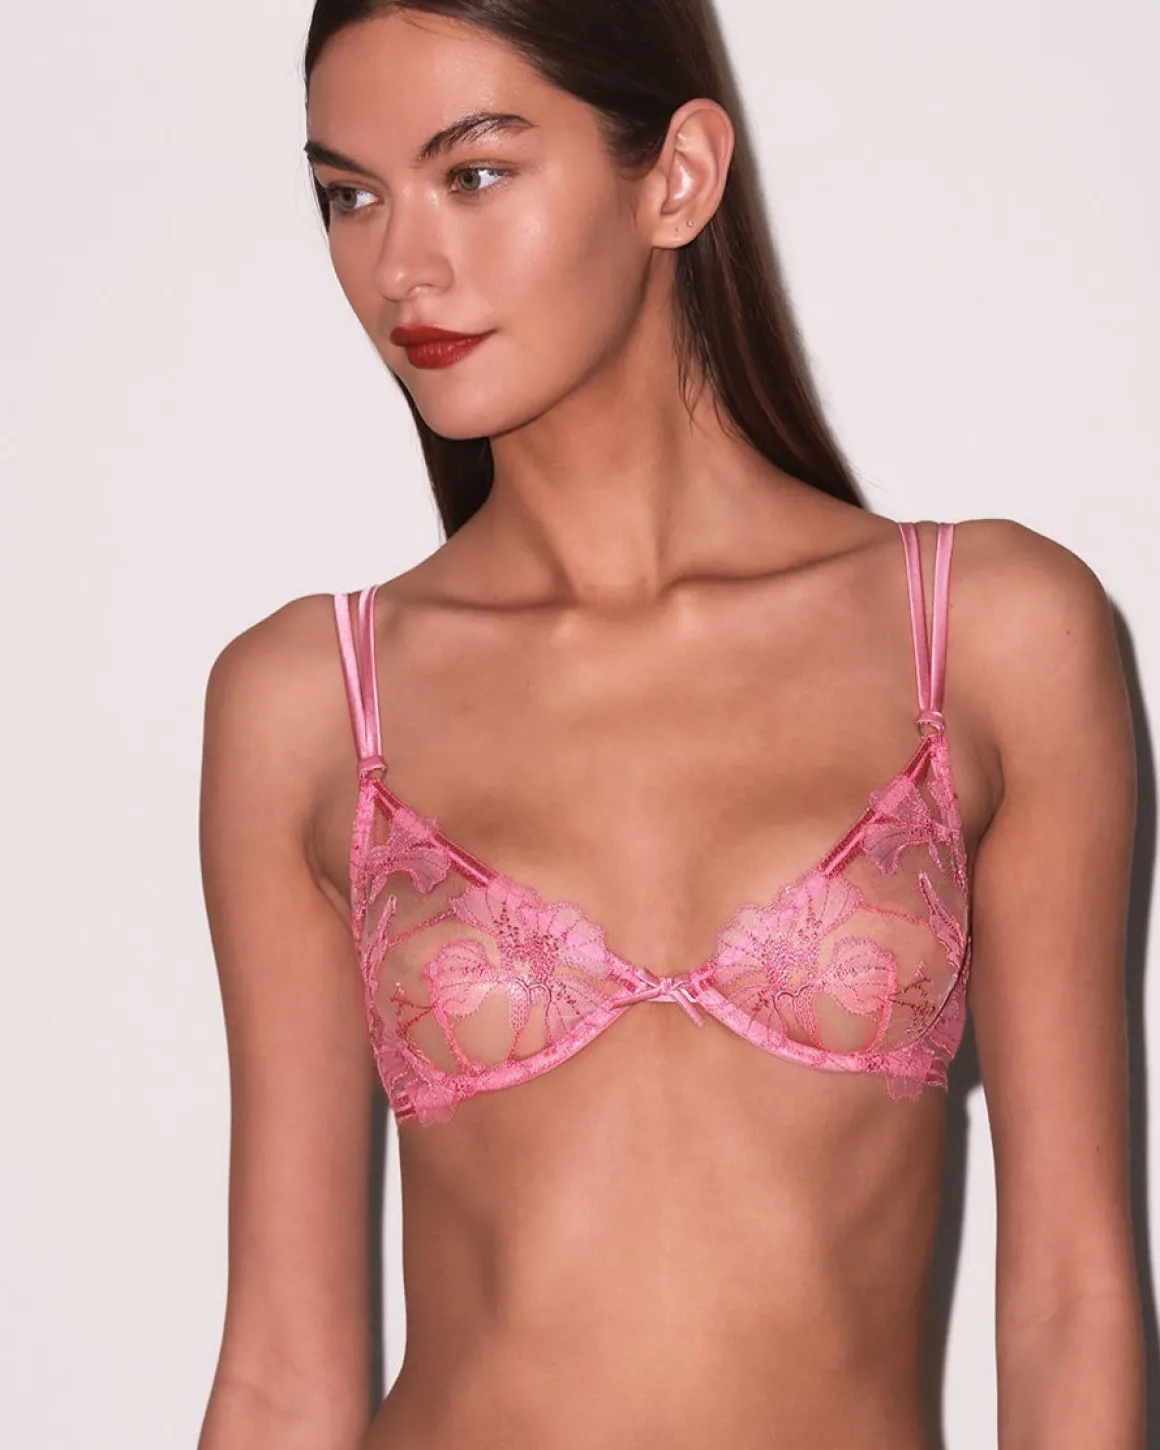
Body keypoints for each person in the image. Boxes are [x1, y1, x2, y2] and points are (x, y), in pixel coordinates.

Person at [196, 2, 1145, 1447]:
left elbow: (1074, 1295)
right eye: (351, 195)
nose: (401, 267)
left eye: (473, 173)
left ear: (678, 177)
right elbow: (281, 1371)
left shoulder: (989, 638)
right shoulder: (310, 702)